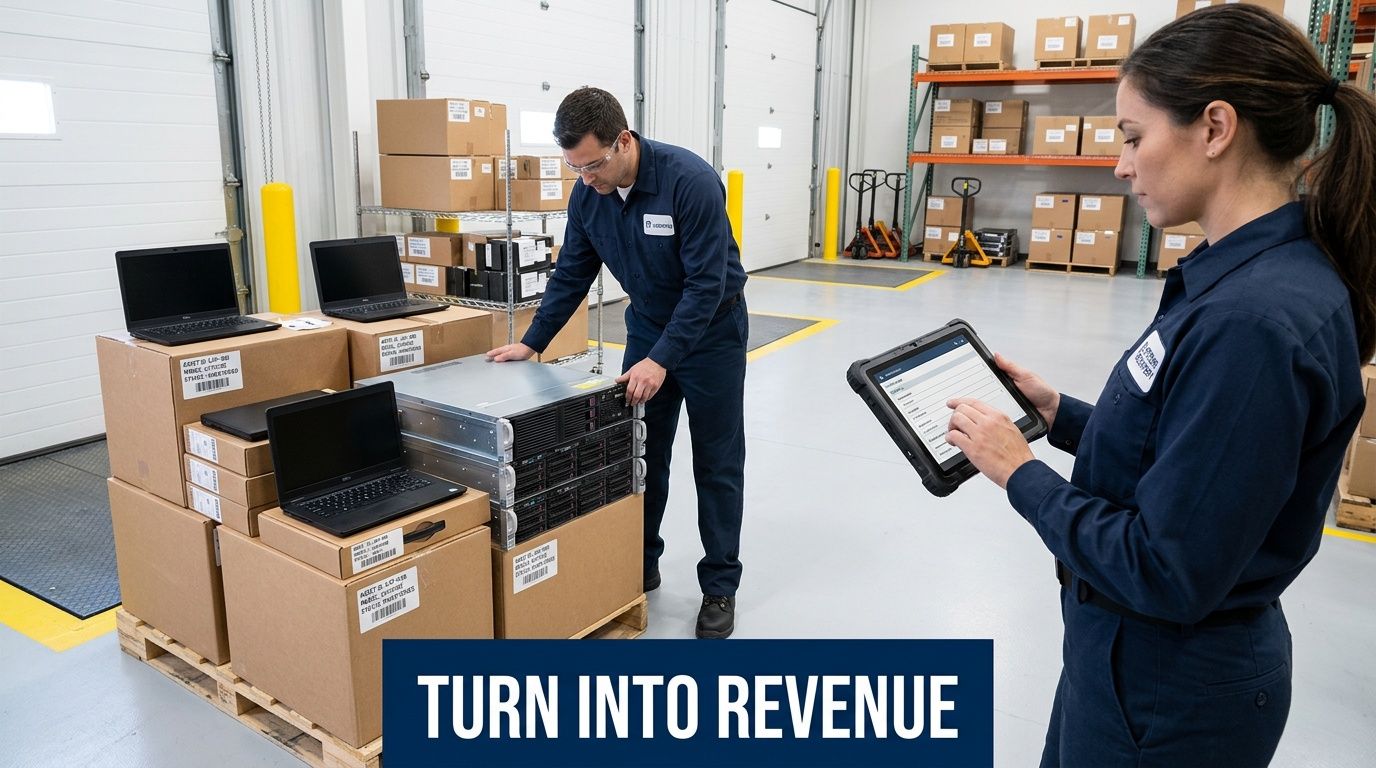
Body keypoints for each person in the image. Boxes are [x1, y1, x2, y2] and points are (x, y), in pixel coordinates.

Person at [943, 6, 1375, 766]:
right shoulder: (1253, 277)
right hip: (1133, 664)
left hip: (1166, 691)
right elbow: (1188, 455)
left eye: (1134, 137)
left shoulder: (1251, 322)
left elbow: (1164, 569)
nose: (1122, 165)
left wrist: (1020, 471)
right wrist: (1060, 415)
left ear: (1215, 128)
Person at [487, 87, 749, 639]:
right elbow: (572, 273)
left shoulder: (690, 183)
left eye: (594, 165)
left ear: (623, 141)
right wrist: (533, 342)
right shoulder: (589, 196)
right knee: (641, 457)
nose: (586, 179)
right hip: (649, 328)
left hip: (712, 334)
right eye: (575, 168)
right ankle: (640, 562)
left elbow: (706, 285)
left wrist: (662, 360)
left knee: (717, 461)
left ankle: (720, 585)